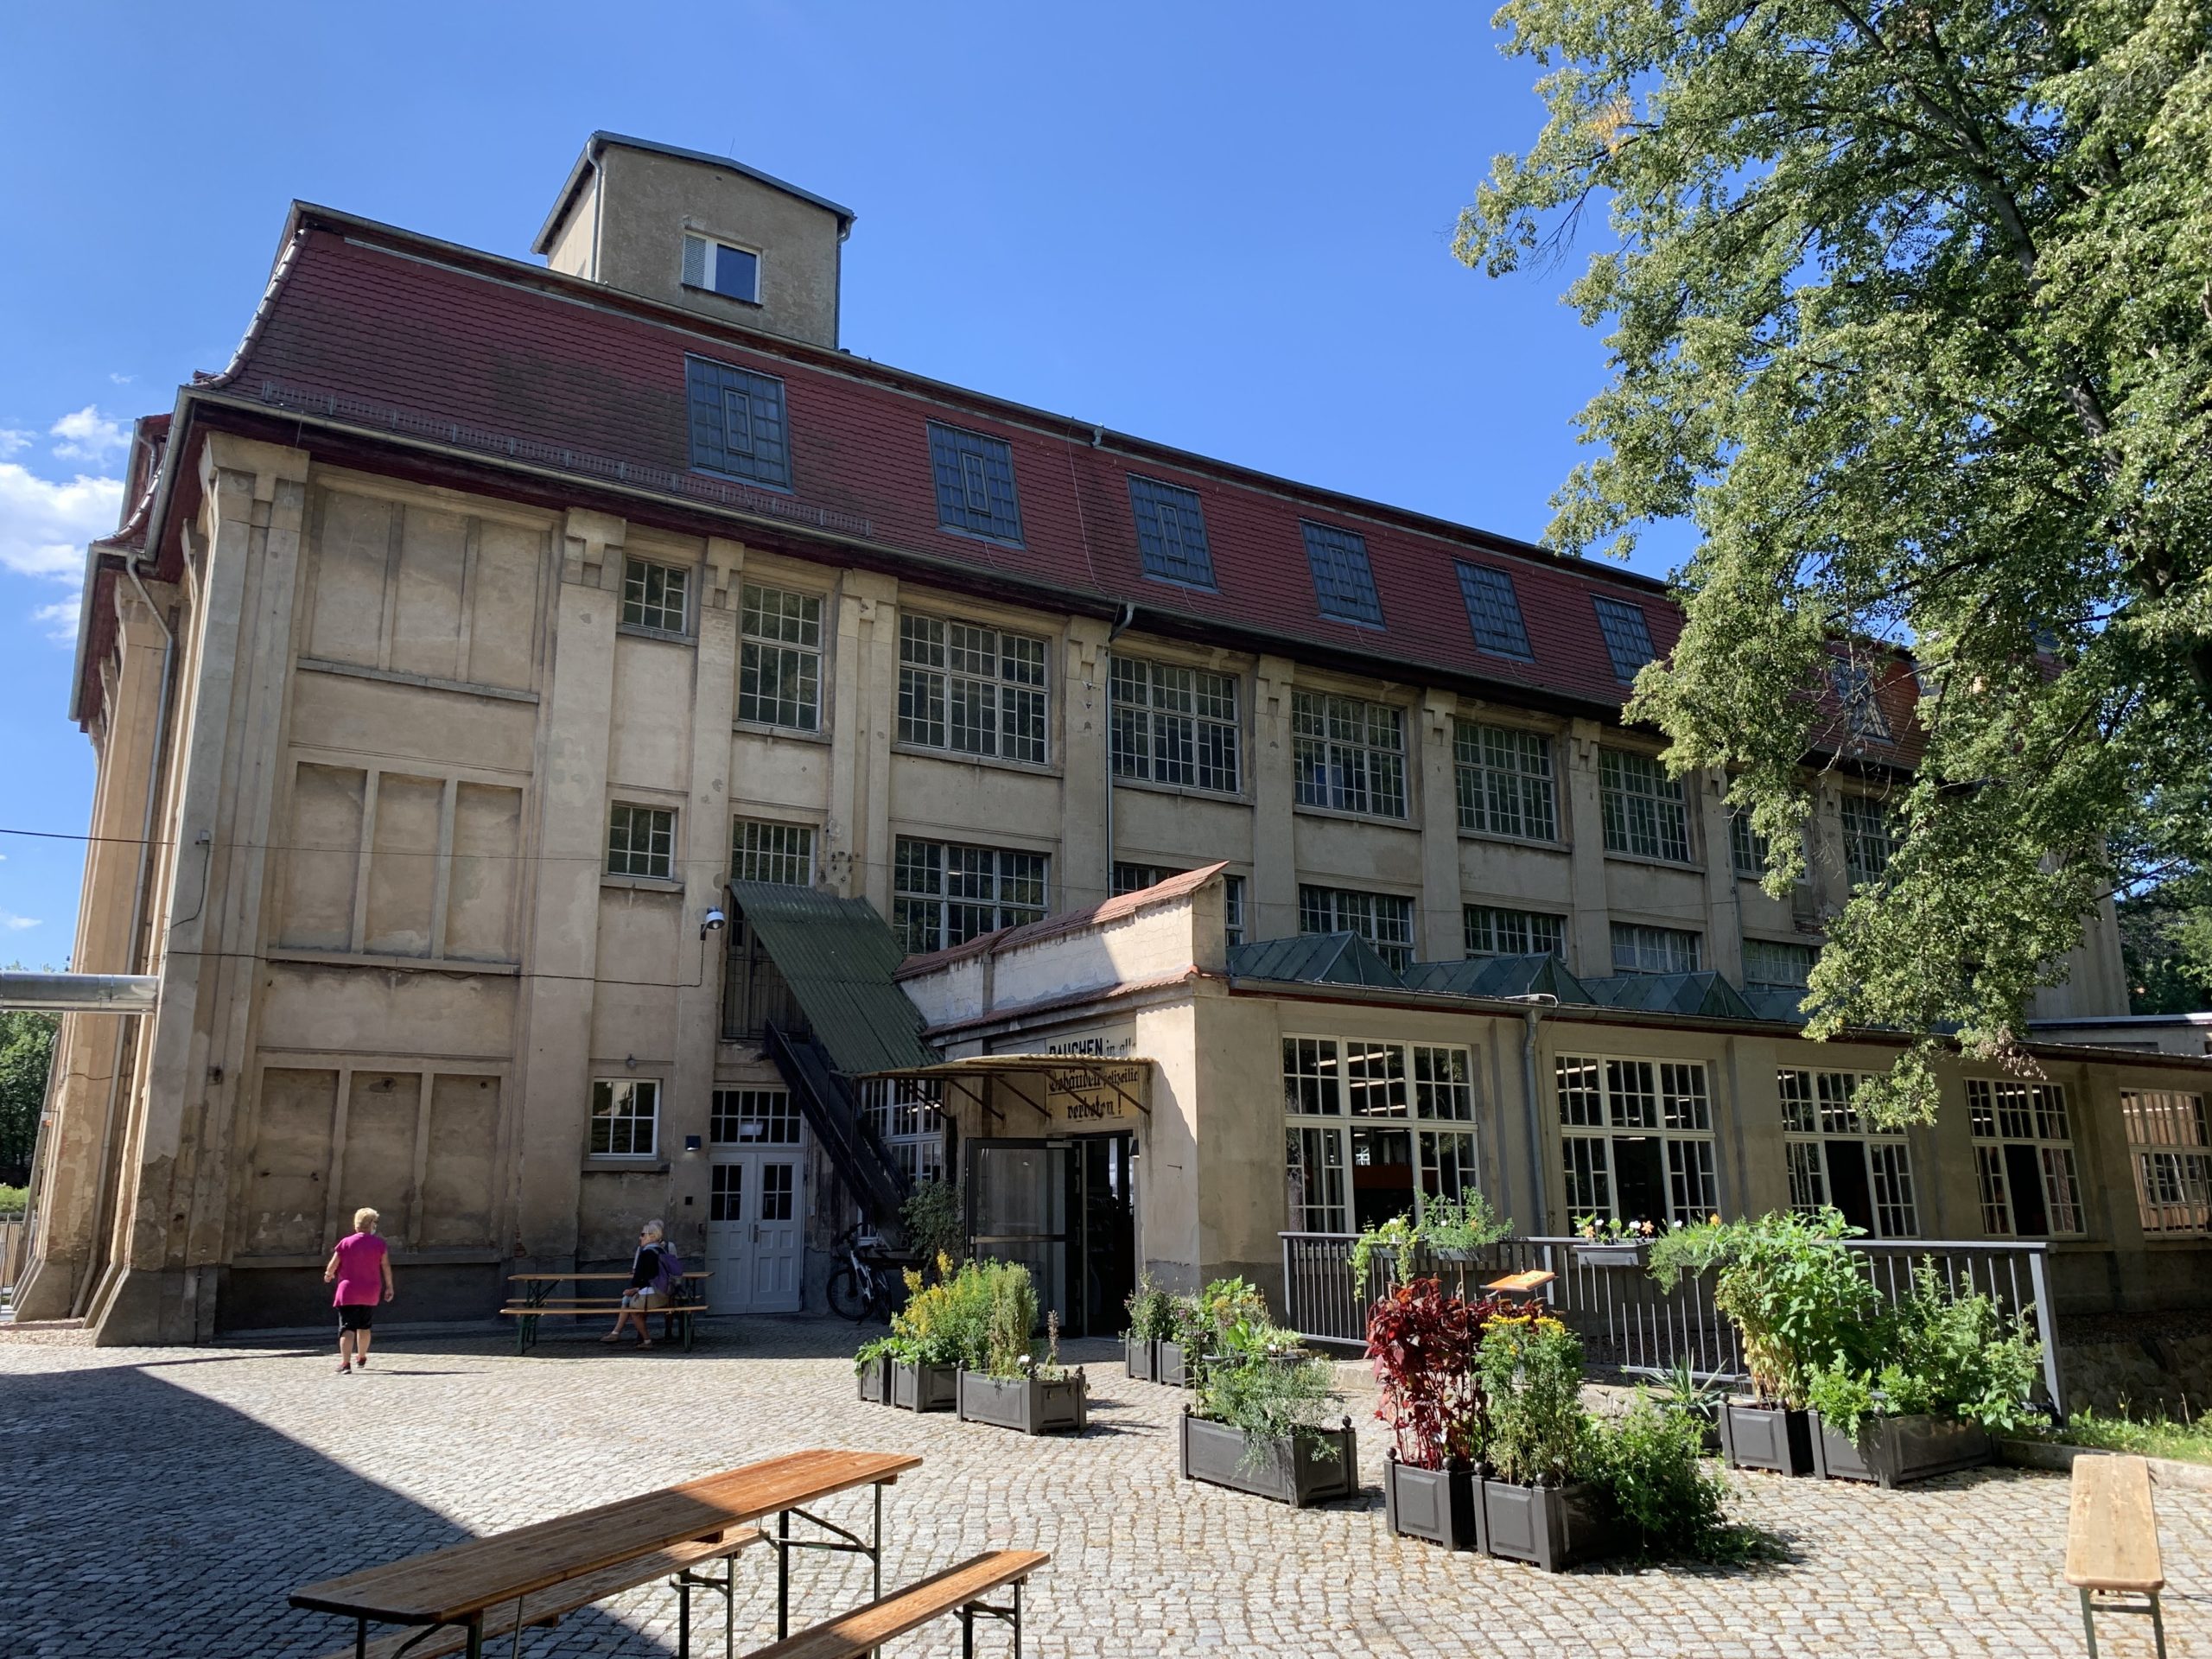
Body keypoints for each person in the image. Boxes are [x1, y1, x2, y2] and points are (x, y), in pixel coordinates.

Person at [323, 1207, 394, 1373]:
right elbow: (385, 1266)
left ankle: (345, 1363)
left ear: (356, 1224)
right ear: (372, 1225)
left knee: (347, 1327)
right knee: (364, 1326)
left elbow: (333, 1264)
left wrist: (328, 1275)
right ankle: (361, 1357)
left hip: (348, 1291)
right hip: (370, 1290)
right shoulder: (379, 1244)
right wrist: (389, 1286)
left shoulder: (346, 1242)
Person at [605, 1219, 677, 1349]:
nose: (640, 1237)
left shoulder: (646, 1253)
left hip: (653, 1295)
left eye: (643, 1234)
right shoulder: (662, 1251)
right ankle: (618, 1333)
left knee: (633, 1309)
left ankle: (646, 1340)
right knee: (630, 1301)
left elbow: (638, 1278)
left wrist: (634, 1289)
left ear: (652, 1236)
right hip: (665, 1294)